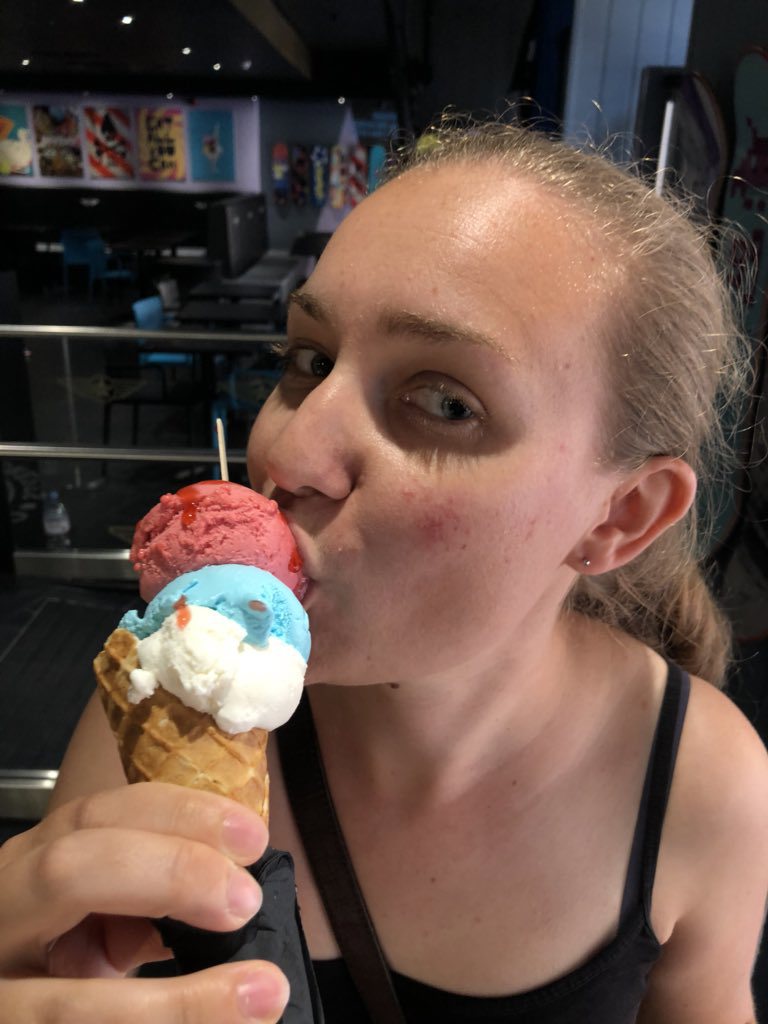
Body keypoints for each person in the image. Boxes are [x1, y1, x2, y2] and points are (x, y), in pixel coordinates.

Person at [2, 117, 768, 1023]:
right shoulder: (167, 690)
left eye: (443, 401)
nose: (288, 452)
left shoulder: (703, 784)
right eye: (308, 360)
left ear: (620, 513)